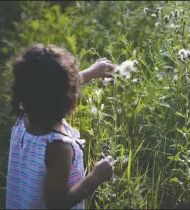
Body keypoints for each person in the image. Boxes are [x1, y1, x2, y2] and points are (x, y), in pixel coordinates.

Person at [6, 43, 115, 209]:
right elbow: (57, 204)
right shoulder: (58, 147)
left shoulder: (25, 119)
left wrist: (91, 73)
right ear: (72, 103)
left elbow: (46, 86)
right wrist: (95, 178)